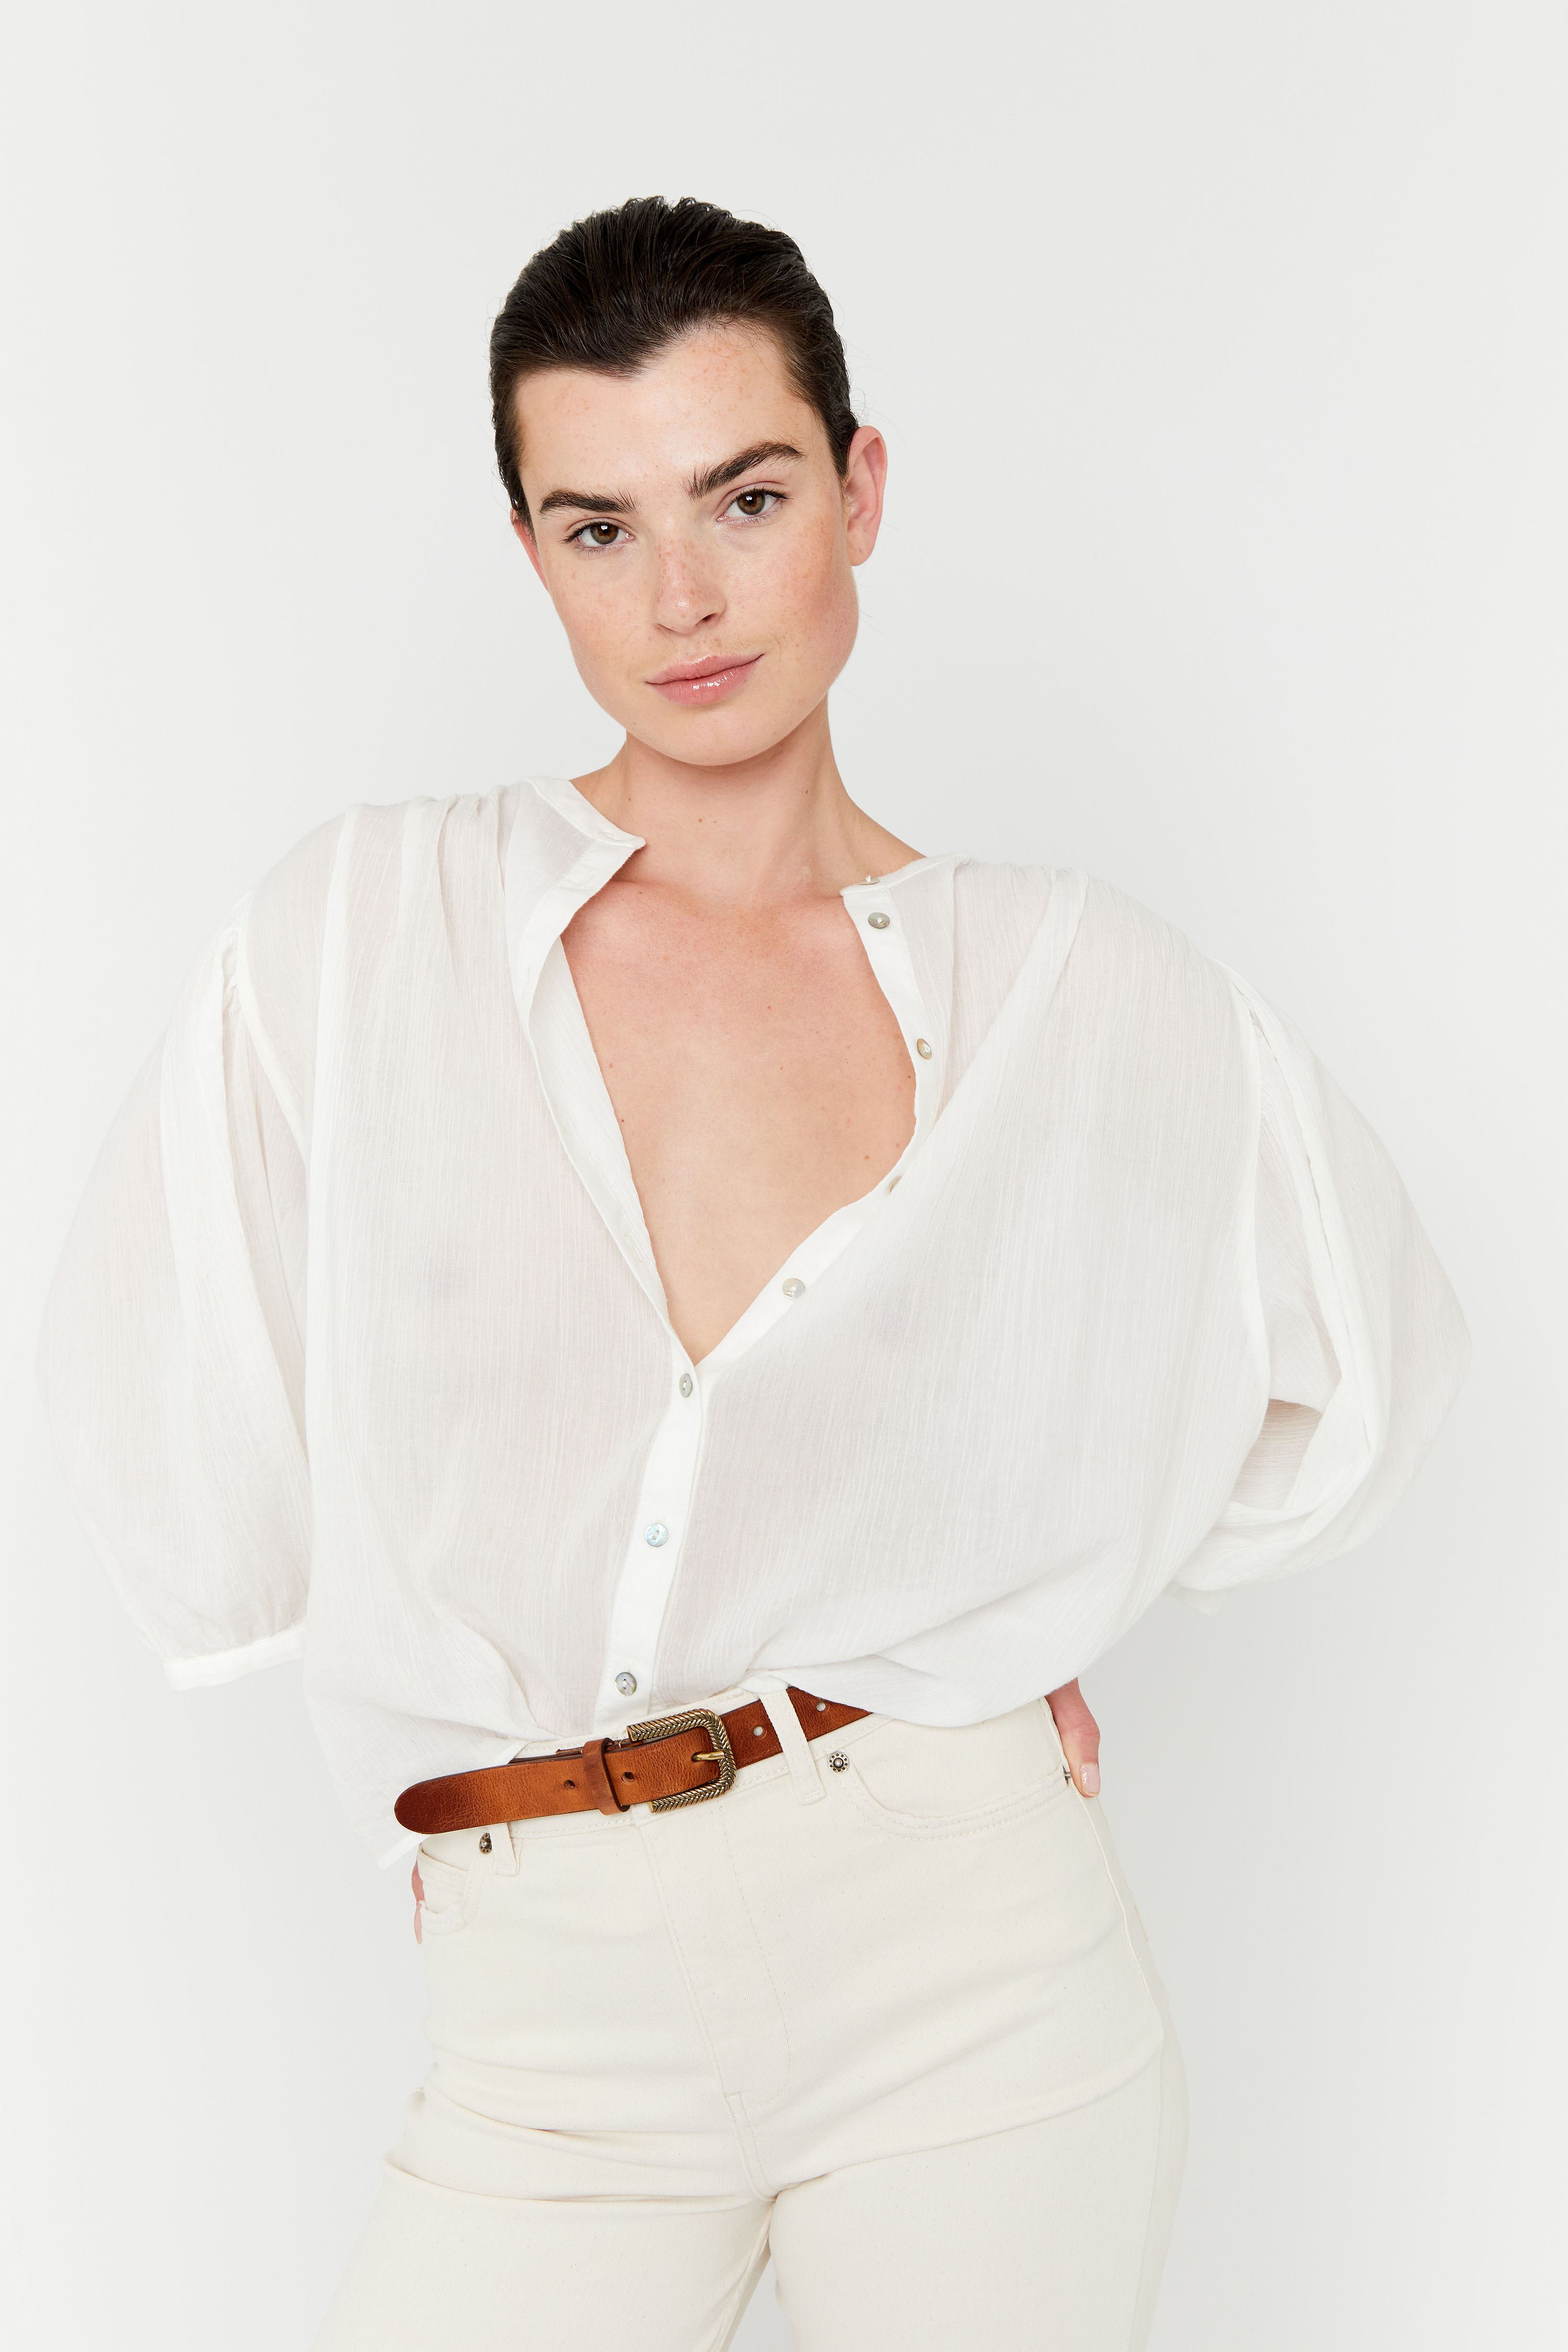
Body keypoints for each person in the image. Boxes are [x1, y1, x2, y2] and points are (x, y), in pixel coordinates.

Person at [38, 196, 1471, 2351]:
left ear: (860, 491)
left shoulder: (1075, 988)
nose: (683, 599)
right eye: (599, 527)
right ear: (531, 552)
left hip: (973, 1974)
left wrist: (1006, 1616)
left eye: (748, 496)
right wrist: (427, 1739)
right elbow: (160, 1368)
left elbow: (1367, 1361)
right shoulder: (363, 936)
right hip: (544, 2025)